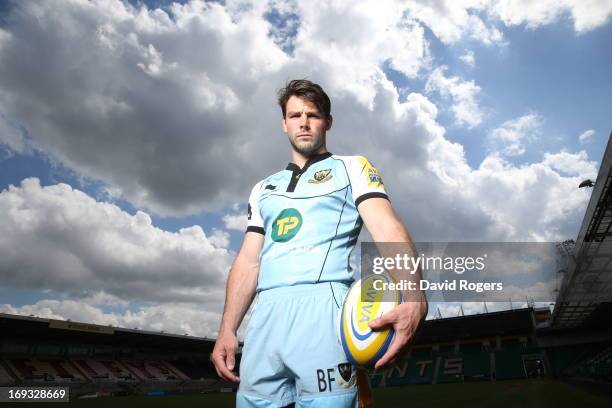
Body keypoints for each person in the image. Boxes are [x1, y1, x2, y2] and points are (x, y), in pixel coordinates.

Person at [211, 79, 427, 408]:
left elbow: (386, 227)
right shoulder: (263, 188)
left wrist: (413, 297)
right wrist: (227, 329)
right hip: (265, 320)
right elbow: (248, 262)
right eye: (295, 115)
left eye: (312, 114)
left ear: (328, 121)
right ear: (284, 123)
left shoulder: (353, 167)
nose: (304, 122)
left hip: (324, 312)